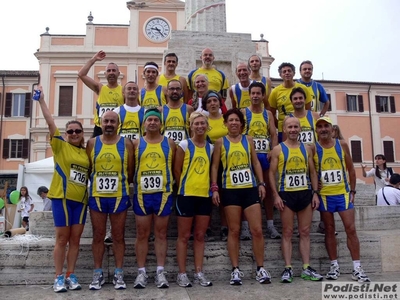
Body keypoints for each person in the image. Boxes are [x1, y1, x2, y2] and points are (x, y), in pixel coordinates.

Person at [36, 86, 90, 293]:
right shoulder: (60, 146)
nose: (74, 133)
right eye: (71, 131)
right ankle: (58, 276)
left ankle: (71, 274)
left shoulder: (87, 152)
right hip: (62, 199)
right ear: (66, 134)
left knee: (75, 240)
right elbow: (50, 123)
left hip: (81, 201)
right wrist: (41, 101)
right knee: (62, 238)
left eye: (78, 131)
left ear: (82, 134)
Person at [211, 108, 271, 286]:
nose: (234, 123)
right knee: (234, 230)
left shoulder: (249, 140)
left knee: (257, 230)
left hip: (249, 188)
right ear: (225, 123)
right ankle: (235, 269)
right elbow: (215, 167)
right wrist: (214, 188)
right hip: (230, 189)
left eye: (237, 120)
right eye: (231, 120)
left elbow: (255, 162)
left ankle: (261, 268)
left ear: (242, 124)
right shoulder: (220, 142)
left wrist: (261, 183)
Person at [313, 116, 370, 283]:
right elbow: (311, 172)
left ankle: (357, 268)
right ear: (316, 130)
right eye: (320, 126)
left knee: (350, 229)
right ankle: (334, 265)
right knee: (329, 230)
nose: (323, 129)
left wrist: (353, 190)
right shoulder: (313, 149)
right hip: (324, 196)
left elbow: (351, 169)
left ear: (332, 129)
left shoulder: (342, 144)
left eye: (326, 126)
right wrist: (315, 190)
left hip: (342, 194)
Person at [269, 116, 323, 283]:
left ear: (300, 129)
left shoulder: (307, 149)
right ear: (284, 130)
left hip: (305, 194)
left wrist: (315, 193)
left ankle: (306, 267)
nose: (293, 130)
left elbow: (313, 172)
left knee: (305, 232)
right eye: (289, 127)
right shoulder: (278, 149)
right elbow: (271, 173)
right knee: (287, 232)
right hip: (286, 195)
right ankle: (288, 268)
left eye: (295, 127)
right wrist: (276, 195)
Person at [86, 110, 134, 290]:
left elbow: (130, 171)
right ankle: (97, 273)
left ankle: (118, 273)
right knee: (98, 235)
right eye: (106, 121)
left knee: (118, 236)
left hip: (119, 195)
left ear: (118, 124)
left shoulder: (127, 143)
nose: (109, 124)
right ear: (100, 122)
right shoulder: (91, 143)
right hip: (97, 196)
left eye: (112, 121)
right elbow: (89, 168)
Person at [132, 108, 176, 289]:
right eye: (149, 120)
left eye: (155, 120)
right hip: (142, 194)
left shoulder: (170, 143)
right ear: (144, 123)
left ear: (161, 123)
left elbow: (175, 167)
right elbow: (130, 169)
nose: (152, 122)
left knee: (161, 233)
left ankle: (160, 271)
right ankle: (141, 272)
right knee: (142, 234)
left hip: (163, 194)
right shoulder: (135, 144)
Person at [174, 112, 214, 287]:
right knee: (183, 236)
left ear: (207, 126)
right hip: (186, 195)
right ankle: (182, 273)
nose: (200, 126)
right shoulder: (184, 144)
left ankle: (199, 271)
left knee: (199, 236)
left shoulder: (211, 147)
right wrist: (184, 187)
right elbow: (177, 170)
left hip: (204, 196)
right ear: (191, 126)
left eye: (202, 123)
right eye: (196, 123)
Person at [243, 82, 279, 239]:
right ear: (249, 95)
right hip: (249, 157)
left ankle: (270, 225)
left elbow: (273, 134)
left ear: (263, 95)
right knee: (247, 190)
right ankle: (245, 227)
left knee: (269, 190)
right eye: (253, 93)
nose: (256, 96)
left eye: (258, 93)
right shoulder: (244, 112)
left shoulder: (268, 114)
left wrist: (274, 150)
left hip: (265, 155)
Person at [202, 91, 229, 241]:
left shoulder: (226, 119)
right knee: (208, 195)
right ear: (205, 105)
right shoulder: (203, 120)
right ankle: (207, 227)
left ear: (220, 103)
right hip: (208, 161)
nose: (212, 103)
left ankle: (225, 227)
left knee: (224, 195)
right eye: (209, 101)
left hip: (226, 162)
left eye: (215, 100)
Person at [78, 50, 124, 137]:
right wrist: (94, 59)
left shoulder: (124, 90)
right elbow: (81, 74)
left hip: (116, 128)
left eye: (113, 70)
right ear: (105, 74)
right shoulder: (100, 88)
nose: (111, 73)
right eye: (109, 71)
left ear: (118, 73)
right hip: (100, 128)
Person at [268, 62, 312, 143]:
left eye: (289, 71)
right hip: (284, 130)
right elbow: (272, 113)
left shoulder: (303, 88)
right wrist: (281, 125)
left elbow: (308, 110)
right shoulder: (275, 92)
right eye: (284, 71)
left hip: (303, 128)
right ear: (280, 75)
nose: (287, 73)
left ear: (294, 73)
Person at [161, 80, 193, 144]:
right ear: (167, 91)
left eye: (178, 89)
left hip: (184, 148)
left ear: (181, 91)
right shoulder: (160, 110)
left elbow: (192, 131)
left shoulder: (189, 109)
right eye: (172, 89)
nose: (175, 91)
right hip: (165, 148)